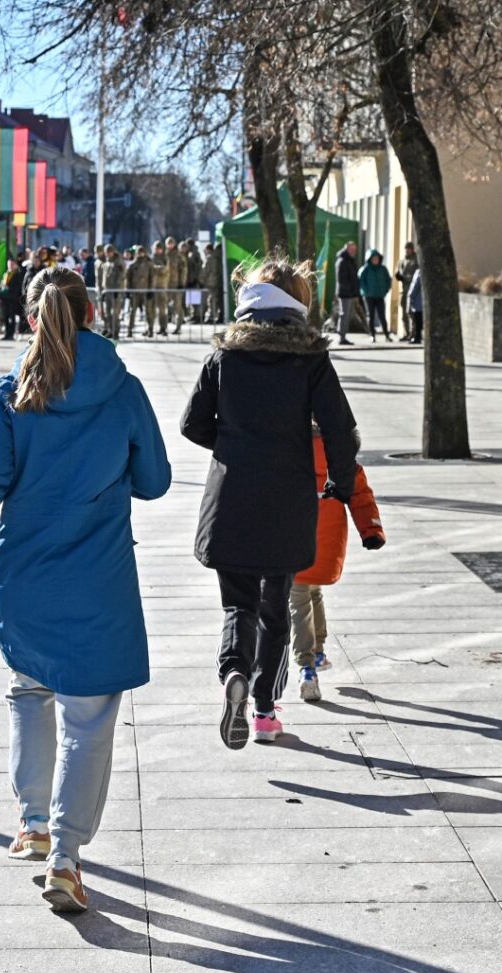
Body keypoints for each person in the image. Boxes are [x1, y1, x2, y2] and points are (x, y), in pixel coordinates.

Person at [0, 266, 172, 913]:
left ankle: (32, 822)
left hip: (23, 574)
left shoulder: (10, 391)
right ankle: (65, 857)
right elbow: (156, 481)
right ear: (91, 314)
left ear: (31, 319)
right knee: (88, 718)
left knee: (29, 691)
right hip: (97, 578)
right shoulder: (123, 388)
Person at [181, 258, 359, 748]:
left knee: (238, 604)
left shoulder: (224, 356)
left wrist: (233, 446)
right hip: (287, 500)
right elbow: (340, 430)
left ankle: (234, 671)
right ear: (297, 303)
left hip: (231, 500)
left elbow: (192, 424)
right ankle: (263, 711)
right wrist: (340, 484)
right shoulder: (311, 360)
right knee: (275, 607)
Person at [290, 425, 385, 702]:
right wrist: (371, 531)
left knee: (298, 599)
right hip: (329, 535)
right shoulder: (342, 460)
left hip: (294, 533)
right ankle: (318, 651)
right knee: (313, 591)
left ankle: (306, 666)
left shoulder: (290, 452)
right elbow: (361, 496)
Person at [358, 249, 393, 342]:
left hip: (380, 296)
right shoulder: (365, 269)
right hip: (369, 296)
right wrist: (366, 291)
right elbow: (361, 281)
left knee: (382, 316)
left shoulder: (383, 269)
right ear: (370, 259)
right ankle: (372, 335)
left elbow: (388, 280)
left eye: (377, 258)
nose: (375, 260)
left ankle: (387, 335)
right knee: (371, 316)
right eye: (373, 258)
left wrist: (385, 290)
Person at [334, 241, 360, 345]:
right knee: (344, 314)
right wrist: (350, 289)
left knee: (346, 314)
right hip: (345, 292)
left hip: (348, 292)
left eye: (355, 250)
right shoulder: (343, 261)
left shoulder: (348, 260)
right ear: (347, 249)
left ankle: (343, 335)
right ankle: (341, 336)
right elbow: (341, 278)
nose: (354, 252)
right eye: (352, 250)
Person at [125, 244, 154, 337]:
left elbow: (152, 278)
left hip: (146, 291)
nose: (140, 254)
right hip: (135, 292)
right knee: (132, 312)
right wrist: (127, 290)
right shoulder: (132, 265)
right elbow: (128, 279)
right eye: (139, 253)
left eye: (142, 252)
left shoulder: (149, 265)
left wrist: (151, 290)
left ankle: (150, 330)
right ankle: (130, 330)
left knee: (148, 311)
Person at [98, 244, 126, 339]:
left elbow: (121, 277)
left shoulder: (118, 263)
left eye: (109, 252)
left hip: (115, 292)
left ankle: (116, 331)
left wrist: (117, 290)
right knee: (107, 313)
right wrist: (103, 291)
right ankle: (110, 330)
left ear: (113, 252)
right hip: (107, 291)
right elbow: (104, 279)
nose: (108, 254)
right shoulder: (106, 263)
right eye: (106, 252)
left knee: (115, 313)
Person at [164, 236, 188, 335]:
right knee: (163, 307)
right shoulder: (164, 255)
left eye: (171, 243)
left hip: (176, 285)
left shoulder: (179, 256)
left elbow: (184, 270)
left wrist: (182, 283)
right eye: (168, 243)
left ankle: (178, 327)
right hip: (165, 285)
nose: (170, 245)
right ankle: (163, 328)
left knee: (177, 307)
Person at [1, 258, 25, 339]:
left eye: (12, 264)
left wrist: (10, 290)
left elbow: (18, 286)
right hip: (5, 298)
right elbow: (3, 284)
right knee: (5, 316)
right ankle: (7, 334)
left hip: (13, 298)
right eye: (9, 264)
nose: (10, 266)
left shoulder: (18, 274)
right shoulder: (6, 274)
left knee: (12, 316)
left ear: (15, 265)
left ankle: (11, 334)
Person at [184, 239, 204, 323]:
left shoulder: (195, 253)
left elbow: (197, 267)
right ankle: (194, 315)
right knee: (192, 300)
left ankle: (198, 316)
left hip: (194, 279)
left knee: (196, 300)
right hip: (191, 279)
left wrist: (196, 278)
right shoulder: (191, 253)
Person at [204, 242, 224, 325]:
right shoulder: (222, 257)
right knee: (220, 301)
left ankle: (211, 317)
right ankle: (221, 316)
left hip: (212, 283)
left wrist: (201, 281)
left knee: (212, 300)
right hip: (221, 282)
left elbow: (205, 271)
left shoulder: (211, 258)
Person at [406, 268, 423, 345]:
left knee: (416, 322)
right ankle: (417, 337)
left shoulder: (419, 272)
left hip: (418, 302)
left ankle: (417, 337)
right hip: (421, 302)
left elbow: (415, 285)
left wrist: (410, 296)